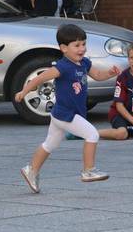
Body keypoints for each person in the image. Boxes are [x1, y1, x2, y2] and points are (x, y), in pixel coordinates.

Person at [15, 24, 120, 193]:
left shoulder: (84, 63)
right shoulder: (62, 67)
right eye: (76, 45)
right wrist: (23, 91)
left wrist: (110, 73)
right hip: (65, 114)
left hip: (63, 114)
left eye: (84, 44)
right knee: (92, 134)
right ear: (63, 48)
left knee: (50, 143)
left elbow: (98, 76)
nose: (82, 49)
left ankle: (31, 170)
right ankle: (88, 171)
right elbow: (38, 79)